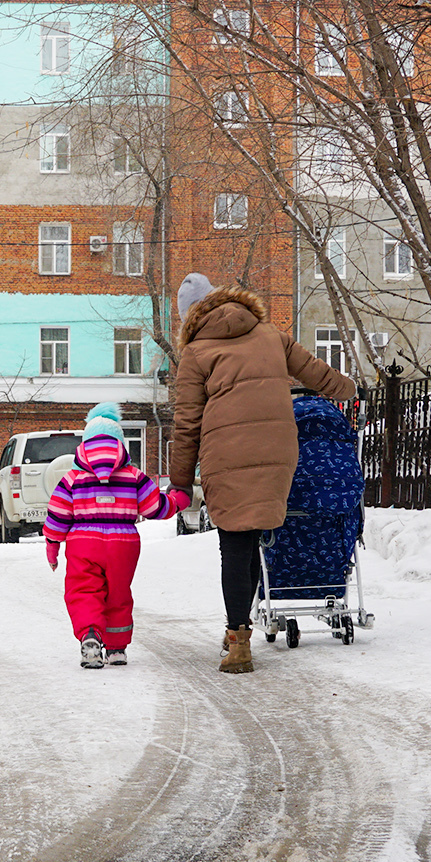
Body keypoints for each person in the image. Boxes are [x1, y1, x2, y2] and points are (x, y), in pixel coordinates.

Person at [169, 276, 356, 674]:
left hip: (227, 455)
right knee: (252, 537)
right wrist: (350, 388)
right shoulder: (270, 335)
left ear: (190, 316)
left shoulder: (197, 353)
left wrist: (181, 482)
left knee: (234, 544)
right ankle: (240, 629)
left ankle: (238, 641)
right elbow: (318, 374)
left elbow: (186, 423)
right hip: (277, 453)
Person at [45, 402, 190, 669]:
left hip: (83, 543)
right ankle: (117, 648)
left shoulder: (73, 478)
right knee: (118, 592)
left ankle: (90, 634)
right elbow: (154, 507)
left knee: (84, 590)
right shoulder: (133, 475)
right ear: (119, 443)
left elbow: (57, 514)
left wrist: (53, 545)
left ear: (85, 443)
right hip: (123, 543)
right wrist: (177, 501)